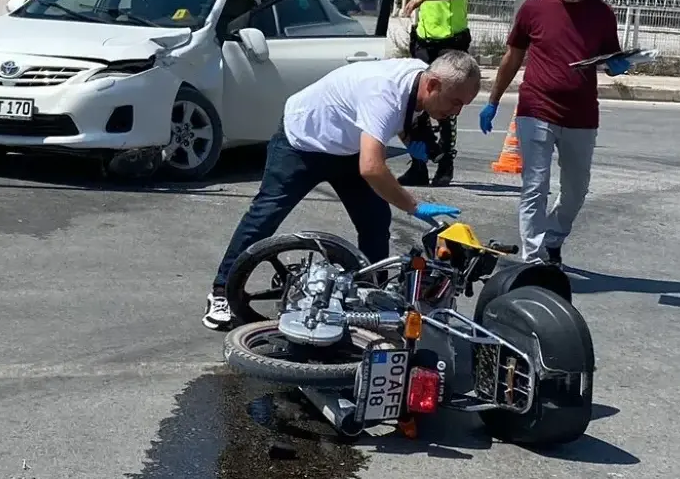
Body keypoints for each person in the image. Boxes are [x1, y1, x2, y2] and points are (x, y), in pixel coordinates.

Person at [203, 50, 482, 330]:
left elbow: (401, 116)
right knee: (264, 217)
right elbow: (372, 167)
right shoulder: (383, 92)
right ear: (432, 85)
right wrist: (413, 206)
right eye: (455, 102)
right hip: (303, 142)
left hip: (348, 148)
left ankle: (374, 294)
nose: (456, 112)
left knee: (375, 220)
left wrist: (410, 138)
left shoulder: (420, 77)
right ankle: (221, 292)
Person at [478, 0, 631, 267]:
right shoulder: (534, 9)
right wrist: (493, 99)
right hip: (536, 109)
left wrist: (617, 66)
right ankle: (533, 260)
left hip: (582, 115)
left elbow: (610, 58)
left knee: (576, 189)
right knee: (535, 185)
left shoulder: (602, 14)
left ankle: (553, 238)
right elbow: (513, 56)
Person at [397, 0, 471, 189]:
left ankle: (445, 165)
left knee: (445, 106)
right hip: (424, 45)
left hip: (449, 47)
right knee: (416, 104)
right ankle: (419, 164)